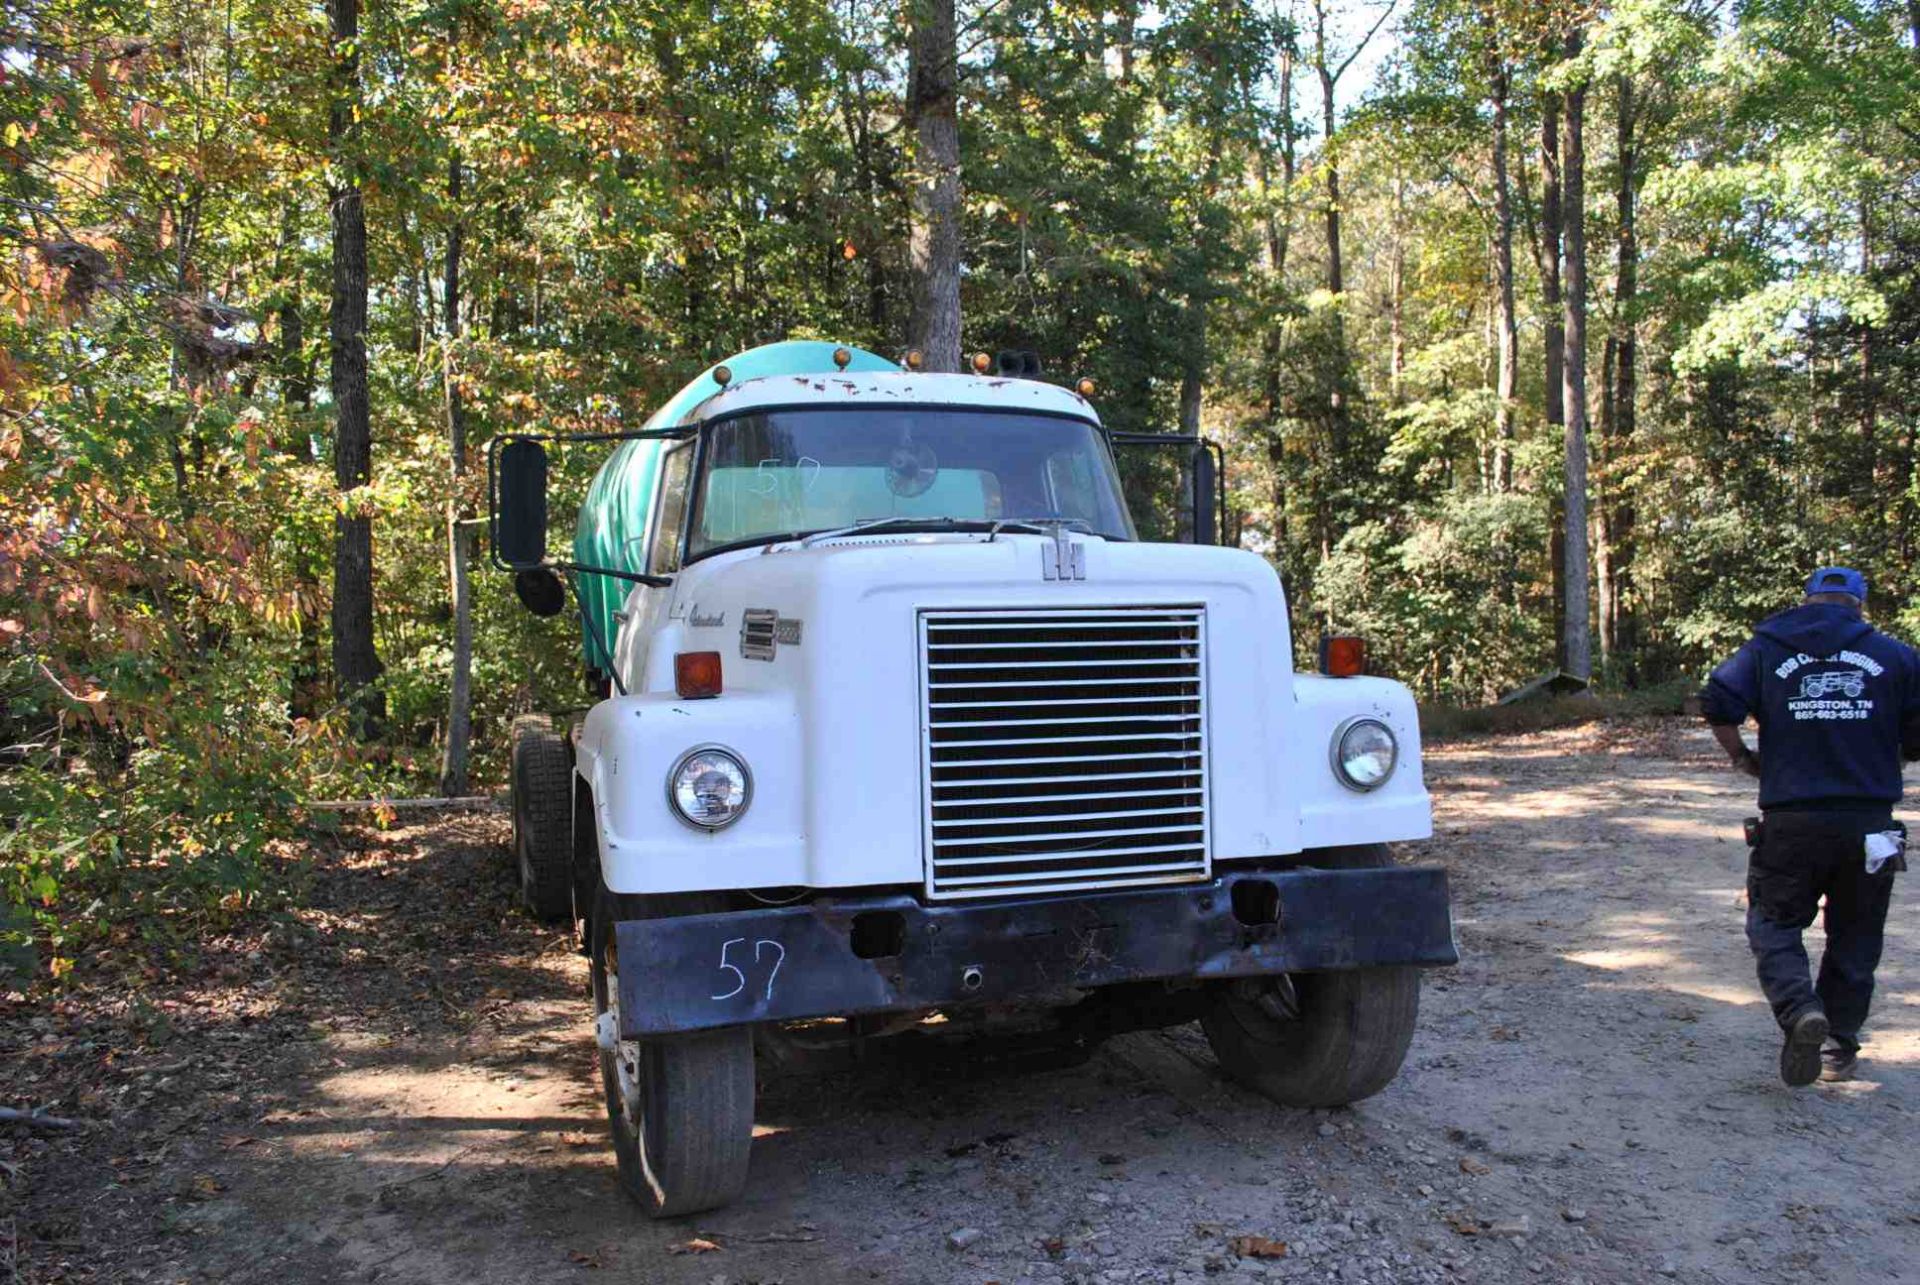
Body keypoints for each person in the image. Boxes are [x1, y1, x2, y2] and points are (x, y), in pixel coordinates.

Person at [1701, 567, 1920, 1086]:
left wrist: (1742, 759)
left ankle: (1801, 1010)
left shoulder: (1766, 650)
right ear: (1859, 606)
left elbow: (1717, 700)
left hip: (1791, 819)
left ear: (1807, 601)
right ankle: (1839, 1045)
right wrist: (1898, 752)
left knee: (1774, 922)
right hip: (1870, 822)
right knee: (1857, 929)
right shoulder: (1896, 656)